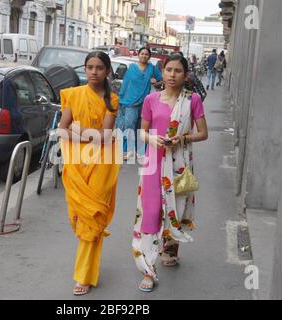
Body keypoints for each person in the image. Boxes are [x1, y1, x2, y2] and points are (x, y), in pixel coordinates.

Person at [132, 54, 208, 292]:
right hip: (153, 163)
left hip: (179, 164)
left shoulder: (192, 100)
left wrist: (182, 138)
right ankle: (148, 267)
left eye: (177, 71)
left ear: (185, 75)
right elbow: (142, 132)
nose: (172, 75)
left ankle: (170, 248)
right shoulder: (151, 100)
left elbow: (203, 133)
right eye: (168, 70)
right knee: (151, 212)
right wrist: (152, 138)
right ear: (162, 72)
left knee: (176, 209)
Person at [58, 51, 120, 296]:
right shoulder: (73, 96)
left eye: (99, 67)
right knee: (76, 218)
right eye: (89, 67)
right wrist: (85, 135)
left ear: (107, 71)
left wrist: (77, 131)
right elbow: (61, 130)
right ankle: (88, 266)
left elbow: (104, 139)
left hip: (101, 167)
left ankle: (84, 275)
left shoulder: (111, 100)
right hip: (75, 164)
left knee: (91, 219)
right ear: (84, 70)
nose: (94, 72)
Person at [115, 47, 163, 161]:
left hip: (142, 102)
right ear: (138, 55)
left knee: (136, 127)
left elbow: (162, 80)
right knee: (125, 125)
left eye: (147, 54)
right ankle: (126, 150)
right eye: (142, 54)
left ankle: (135, 151)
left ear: (149, 57)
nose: (144, 56)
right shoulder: (132, 68)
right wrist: (120, 98)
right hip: (127, 101)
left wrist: (155, 82)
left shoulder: (152, 68)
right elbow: (126, 84)